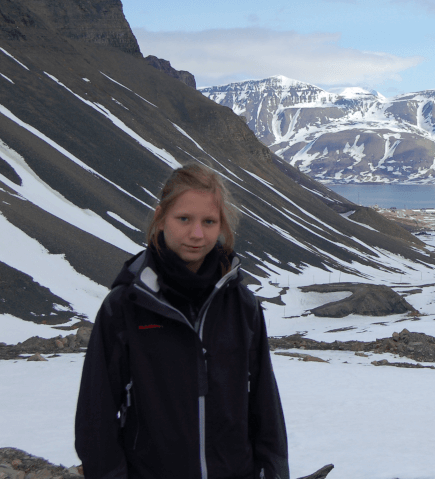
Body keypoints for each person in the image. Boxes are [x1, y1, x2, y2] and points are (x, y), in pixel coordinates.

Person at [76, 163, 289, 479]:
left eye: (209, 221)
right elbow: (97, 415)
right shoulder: (126, 305)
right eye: (184, 219)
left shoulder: (242, 305)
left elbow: (265, 409)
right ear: (161, 217)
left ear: (222, 226)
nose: (197, 234)